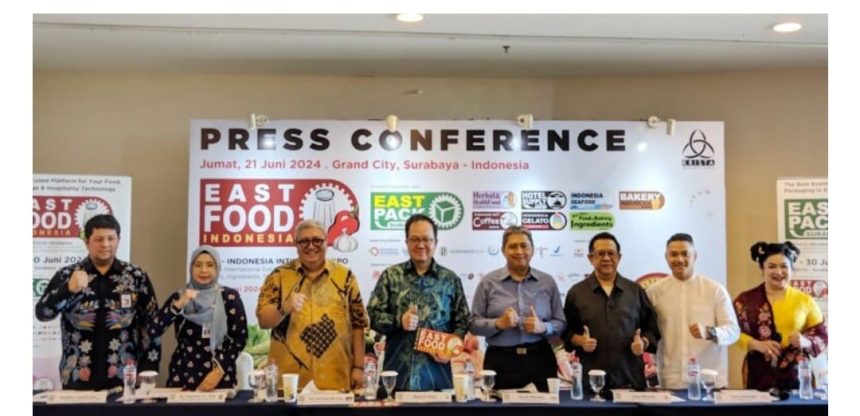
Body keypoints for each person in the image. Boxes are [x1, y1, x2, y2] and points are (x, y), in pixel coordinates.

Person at [35, 214, 161, 390]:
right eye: (99, 239)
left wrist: (148, 367)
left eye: (111, 238)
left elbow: (151, 323)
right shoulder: (67, 275)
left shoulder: (136, 277)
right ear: (87, 242)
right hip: (77, 377)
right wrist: (67, 289)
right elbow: (43, 313)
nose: (106, 244)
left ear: (119, 240)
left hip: (125, 377)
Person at [256, 219, 369, 391]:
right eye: (304, 241)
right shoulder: (278, 276)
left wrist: (359, 367)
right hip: (290, 382)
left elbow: (358, 324)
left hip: (335, 379)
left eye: (317, 240)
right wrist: (284, 309)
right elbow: (263, 320)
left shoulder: (346, 277)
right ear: (296, 244)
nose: (311, 246)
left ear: (327, 242)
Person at [367, 213, 470, 391]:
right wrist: (399, 321)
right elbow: (373, 316)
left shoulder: (450, 280)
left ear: (435, 242)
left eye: (426, 239)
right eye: (414, 239)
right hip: (396, 378)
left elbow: (463, 322)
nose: (421, 245)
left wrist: (450, 349)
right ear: (406, 242)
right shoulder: (391, 276)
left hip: (438, 378)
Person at [469, 225, 566, 391]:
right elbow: (473, 324)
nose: (519, 251)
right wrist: (498, 324)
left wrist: (543, 327)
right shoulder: (488, 282)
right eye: (513, 246)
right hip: (500, 361)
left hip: (540, 360)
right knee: (497, 406)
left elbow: (561, 322)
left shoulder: (547, 282)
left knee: (545, 406)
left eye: (524, 246)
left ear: (533, 250)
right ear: (503, 250)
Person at [562, 232, 660, 391]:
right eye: (600, 254)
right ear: (590, 258)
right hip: (590, 382)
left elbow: (652, 330)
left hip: (630, 380)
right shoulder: (576, 293)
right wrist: (580, 341)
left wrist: (643, 342)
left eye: (611, 253)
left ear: (619, 257)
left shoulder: (635, 291)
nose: (606, 258)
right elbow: (565, 332)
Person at [646, 233, 739, 389]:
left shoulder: (715, 290)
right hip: (671, 381)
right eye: (674, 254)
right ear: (666, 257)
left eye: (685, 254)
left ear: (695, 256)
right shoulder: (653, 292)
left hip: (709, 381)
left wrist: (709, 332)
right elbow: (649, 332)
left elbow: (733, 331)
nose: (680, 259)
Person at [149, 246, 248, 391]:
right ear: (191, 268)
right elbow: (153, 330)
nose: (203, 270)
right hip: (182, 375)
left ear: (217, 268)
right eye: (198, 265)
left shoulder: (229, 297)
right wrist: (178, 305)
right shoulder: (180, 297)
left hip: (218, 378)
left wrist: (218, 371)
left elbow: (240, 338)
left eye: (210, 265)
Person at [733, 241, 827, 391]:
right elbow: (730, 332)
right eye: (771, 266)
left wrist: (806, 341)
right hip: (759, 372)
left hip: (796, 373)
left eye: (784, 266)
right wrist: (757, 344)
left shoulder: (805, 301)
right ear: (762, 269)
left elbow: (822, 335)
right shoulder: (745, 300)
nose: (778, 272)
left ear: (791, 269)